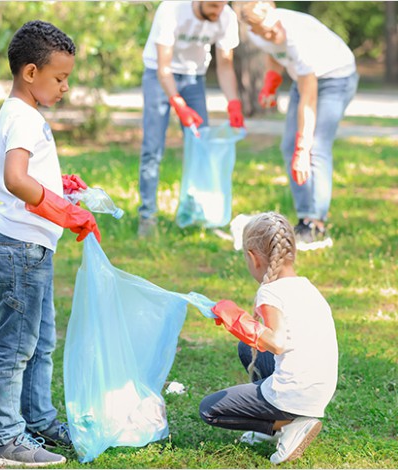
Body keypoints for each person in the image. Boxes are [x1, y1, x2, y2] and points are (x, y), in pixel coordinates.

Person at [0, 20, 101, 467]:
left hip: (26, 249)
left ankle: (39, 421)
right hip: (21, 251)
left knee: (41, 340)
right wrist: (63, 210)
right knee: (17, 347)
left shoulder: (12, 112)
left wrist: (53, 185)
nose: (65, 87)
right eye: (60, 78)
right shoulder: (25, 117)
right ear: (31, 73)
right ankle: (5, 440)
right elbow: (11, 179)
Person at [198, 212, 338, 464]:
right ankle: (286, 420)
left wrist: (238, 321)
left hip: (296, 395)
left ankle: (285, 424)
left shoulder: (270, 292)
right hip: (319, 390)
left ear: (252, 257)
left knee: (209, 410)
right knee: (246, 349)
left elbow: (276, 342)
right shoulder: (307, 287)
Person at [240, 2, 358, 244]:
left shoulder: (297, 36)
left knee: (315, 148)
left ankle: (317, 223)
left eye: (276, 27)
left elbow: (308, 100)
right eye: (268, 32)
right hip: (303, 78)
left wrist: (303, 148)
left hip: (336, 77)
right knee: (288, 147)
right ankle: (304, 218)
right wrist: (271, 83)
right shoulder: (259, 34)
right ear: (255, 31)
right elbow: (275, 54)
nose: (276, 34)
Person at [138, 0, 245, 237]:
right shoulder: (171, 9)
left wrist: (234, 103)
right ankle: (147, 216)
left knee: (201, 147)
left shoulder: (225, 16)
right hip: (159, 75)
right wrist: (178, 104)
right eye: (213, 5)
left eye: (221, 5)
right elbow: (163, 68)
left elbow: (225, 65)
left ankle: (200, 214)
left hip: (194, 77)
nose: (218, 11)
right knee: (152, 149)